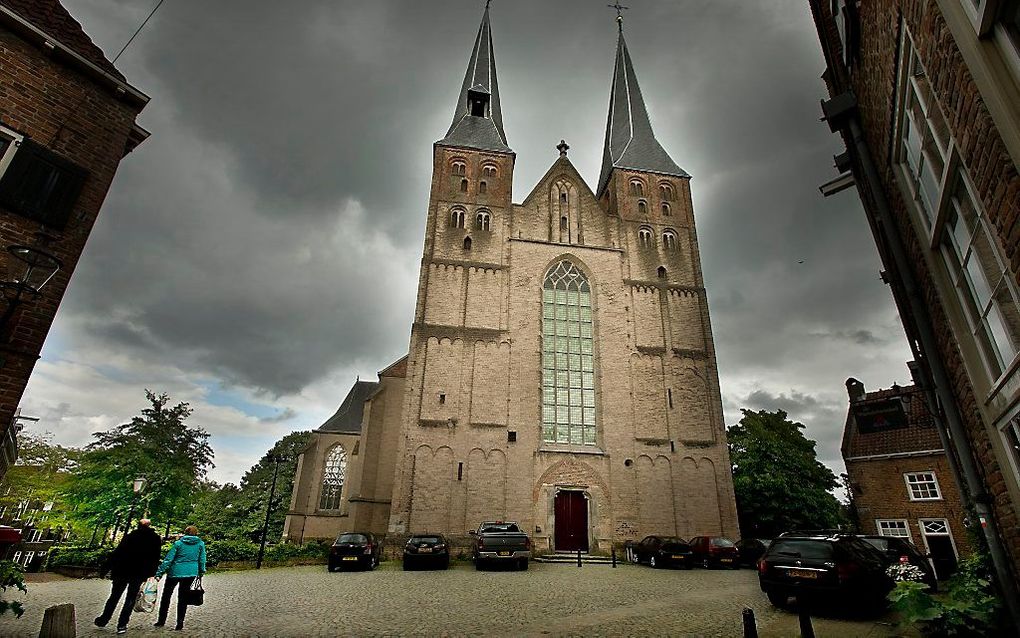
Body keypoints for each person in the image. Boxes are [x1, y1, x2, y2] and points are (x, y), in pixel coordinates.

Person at [94, 518, 162, 634]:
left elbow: (118, 552)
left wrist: (105, 568)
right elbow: (155, 558)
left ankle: (104, 619)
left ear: (139, 526)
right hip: (139, 573)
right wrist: (151, 573)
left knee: (114, 596)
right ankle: (122, 624)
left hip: (122, 571)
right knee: (130, 599)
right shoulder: (155, 539)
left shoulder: (130, 536)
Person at [154, 525, 206, 631]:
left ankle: (161, 620)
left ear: (185, 532)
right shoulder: (200, 544)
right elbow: (202, 559)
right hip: (190, 573)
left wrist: (159, 573)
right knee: (183, 598)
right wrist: (201, 571)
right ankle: (180, 623)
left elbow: (168, 559)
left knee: (166, 597)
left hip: (174, 573)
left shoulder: (178, 544)